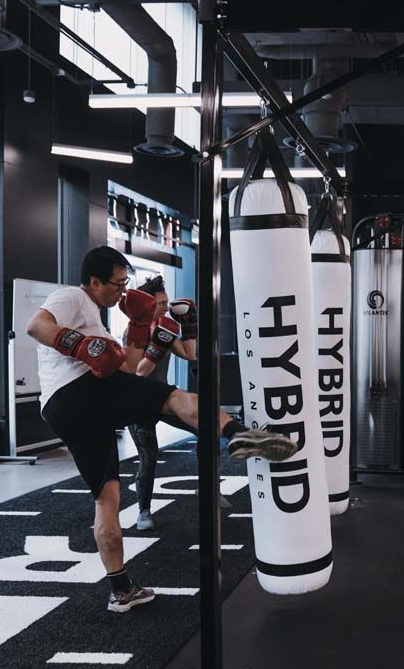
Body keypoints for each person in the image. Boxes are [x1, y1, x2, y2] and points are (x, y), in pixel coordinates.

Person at [27, 246, 298, 613]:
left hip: (66, 411)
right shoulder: (72, 296)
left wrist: (139, 331)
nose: (122, 292)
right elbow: (36, 326)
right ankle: (238, 434)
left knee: (106, 497)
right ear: (94, 281)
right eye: (117, 284)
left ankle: (121, 588)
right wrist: (82, 346)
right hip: (80, 390)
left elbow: (135, 369)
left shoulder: (110, 318)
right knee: (176, 399)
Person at [121, 275, 203, 532]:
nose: (166, 308)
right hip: (137, 400)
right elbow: (140, 372)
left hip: (164, 398)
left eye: (167, 303)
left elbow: (191, 355)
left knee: (205, 430)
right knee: (149, 456)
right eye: (160, 304)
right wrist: (158, 344)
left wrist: (190, 323)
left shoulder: (165, 328)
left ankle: (208, 489)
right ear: (146, 307)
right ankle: (143, 511)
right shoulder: (132, 332)